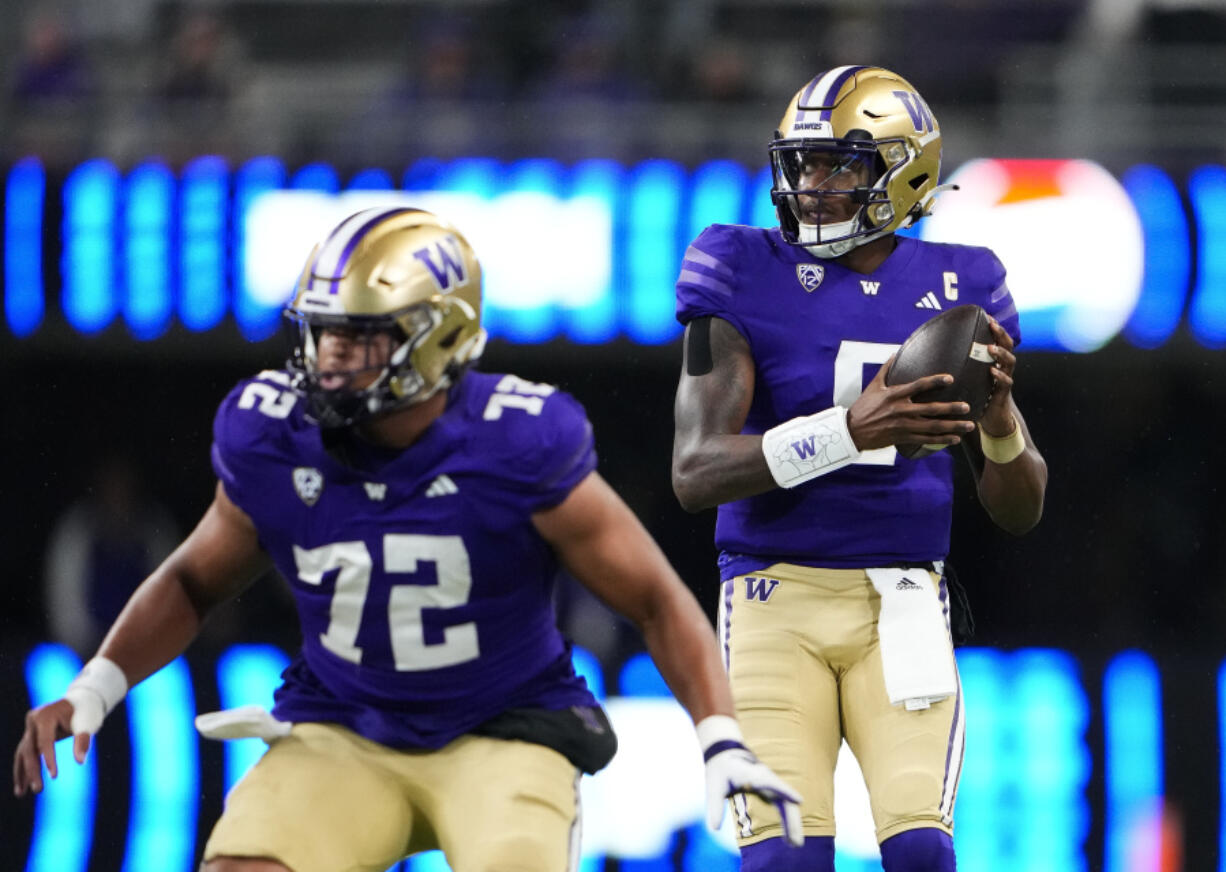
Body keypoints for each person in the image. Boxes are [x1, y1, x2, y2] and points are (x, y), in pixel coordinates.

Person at [14, 207, 802, 871]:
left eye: (359, 340)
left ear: (437, 340)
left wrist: (722, 740)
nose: (329, 361)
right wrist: (95, 687)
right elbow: (193, 580)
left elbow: (656, 600)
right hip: (341, 728)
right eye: (322, 336)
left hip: (503, 732)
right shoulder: (272, 432)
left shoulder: (520, 442)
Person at [670, 65, 1048, 872]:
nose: (812, 185)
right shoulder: (739, 263)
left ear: (904, 171)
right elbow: (695, 470)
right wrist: (847, 431)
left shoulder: (963, 285)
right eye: (802, 163)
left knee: (919, 853)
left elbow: (1021, 510)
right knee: (785, 860)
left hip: (904, 601)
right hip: (774, 595)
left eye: (840, 164)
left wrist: (1000, 421)